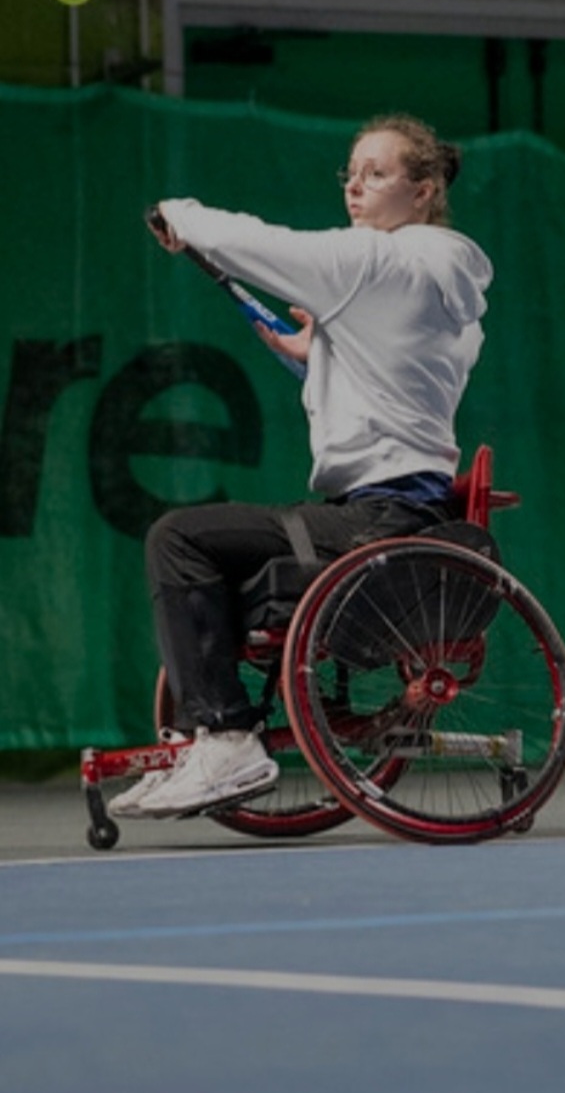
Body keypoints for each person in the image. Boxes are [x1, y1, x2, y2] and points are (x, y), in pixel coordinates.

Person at [111, 115, 492, 819]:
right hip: (395, 510)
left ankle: (227, 738)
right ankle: (211, 738)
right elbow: (398, 386)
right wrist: (320, 355)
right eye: (350, 171)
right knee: (210, 547)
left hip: (382, 517)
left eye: (376, 173)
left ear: (425, 189)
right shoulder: (446, 298)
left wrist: (183, 217)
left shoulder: (383, 261)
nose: (354, 186)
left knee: (179, 536)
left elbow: (269, 246)